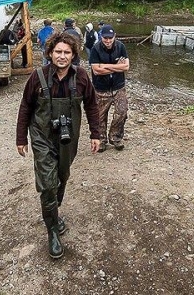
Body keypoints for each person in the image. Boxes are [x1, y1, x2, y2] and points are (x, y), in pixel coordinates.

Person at [16, 31, 102, 259]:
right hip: (42, 137)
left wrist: (96, 134)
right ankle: (52, 231)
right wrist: (21, 138)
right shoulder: (37, 77)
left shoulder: (81, 77)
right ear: (50, 53)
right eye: (58, 52)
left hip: (68, 139)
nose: (62, 56)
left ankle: (53, 211)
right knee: (47, 184)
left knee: (62, 177)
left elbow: (92, 105)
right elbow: (25, 107)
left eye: (67, 52)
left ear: (73, 55)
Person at [89, 24, 130, 152]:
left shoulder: (121, 47)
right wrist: (117, 67)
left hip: (118, 87)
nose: (108, 40)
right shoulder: (95, 49)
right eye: (105, 38)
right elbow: (96, 70)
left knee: (122, 112)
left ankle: (115, 137)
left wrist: (104, 66)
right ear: (101, 37)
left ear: (114, 36)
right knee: (100, 116)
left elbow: (126, 67)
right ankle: (101, 140)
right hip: (101, 88)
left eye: (110, 38)